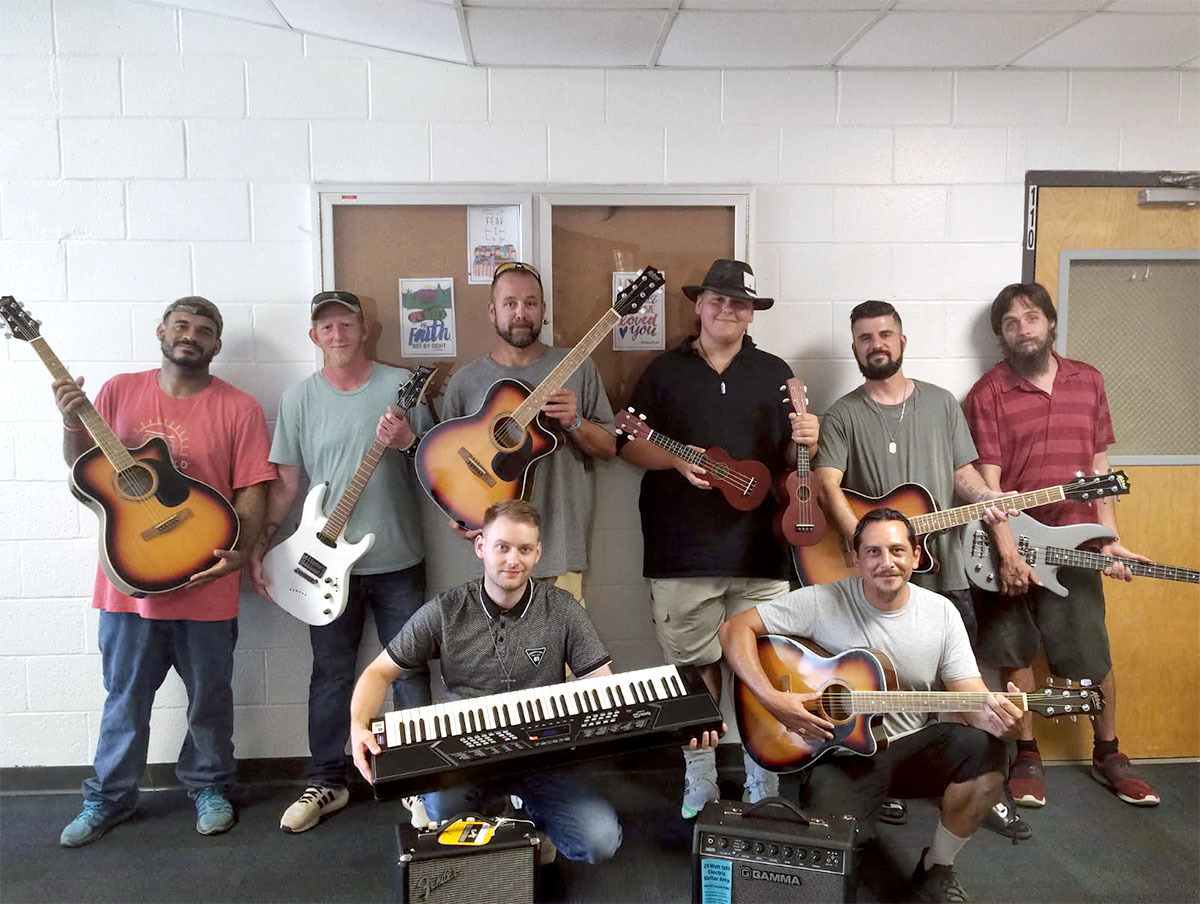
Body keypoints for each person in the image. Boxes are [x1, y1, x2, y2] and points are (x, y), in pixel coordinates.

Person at [350, 500, 723, 863]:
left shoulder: (562, 609)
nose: (513, 559)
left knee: (600, 841)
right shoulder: (446, 611)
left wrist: (678, 729)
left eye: (524, 549)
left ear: (538, 552)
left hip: (546, 754)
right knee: (442, 812)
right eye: (502, 547)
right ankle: (512, 826)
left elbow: (606, 687)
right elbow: (378, 672)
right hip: (465, 753)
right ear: (481, 547)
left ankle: (528, 816)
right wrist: (358, 726)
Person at [54, 296, 275, 847]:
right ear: (161, 330)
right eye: (181, 325)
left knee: (210, 699)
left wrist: (242, 551)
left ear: (216, 344)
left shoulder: (239, 407)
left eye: (204, 329)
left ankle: (209, 787)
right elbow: (84, 470)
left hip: (207, 583)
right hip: (127, 585)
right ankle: (108, 799)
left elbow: (252, 488)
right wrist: (69, 422)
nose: (191, 335)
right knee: (124, 700)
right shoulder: (115, 392)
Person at [718, 509, 1024, 904]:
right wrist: (772, 699)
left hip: (917, 744)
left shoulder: (941, 612)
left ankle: (937, 866)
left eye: (897, 550)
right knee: (839, 868)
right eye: (874, 552)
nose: (886, 562)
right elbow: (734, 629)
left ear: (916, 555)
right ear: (856, 557)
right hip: (844, 753)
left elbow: (969, 695)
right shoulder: (821, 601)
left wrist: (1003, 719)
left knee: (990, 752)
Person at [814, 299, 1025, 838]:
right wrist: (861, 541)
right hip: (877, 577)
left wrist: (987, 501)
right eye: (864, 337)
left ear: (902, 342)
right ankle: (887, 777)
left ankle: (965, 776)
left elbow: (964, 475)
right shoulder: (842, 414)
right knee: (880, 681)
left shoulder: (940, 405)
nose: (875, 344)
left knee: (956, 681)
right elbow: (827, 486)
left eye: (885, 334)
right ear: (855, 347)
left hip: (945, 567)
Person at [618, 259, 817, 817]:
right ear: (699, 305)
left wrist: (810, 438)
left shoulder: (778, 373)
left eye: (739, 303)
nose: (727, 309)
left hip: (762, 549)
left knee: (762, 668)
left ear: (751, 313)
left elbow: (789, 466)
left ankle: (762, 776)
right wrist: (677, 464)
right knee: (693, 669)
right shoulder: (661, 372)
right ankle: (700, 777)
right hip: (681, 549)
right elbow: (628, 444)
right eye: (717, 300)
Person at [962, 282, 1160, 809]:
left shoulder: (1088, 382)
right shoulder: (987, 394)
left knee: (1090, 649)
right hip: (1007, 546)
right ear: (1001, 336)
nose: (1022, 328)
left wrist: (1109, 539)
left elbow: (1100, 468)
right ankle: (1026, 754)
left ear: (1050, 323)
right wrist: (1006, 551)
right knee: (1014, 651)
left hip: (1074, 547)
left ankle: (1110, 751)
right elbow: (989, 484)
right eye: (1010, 323)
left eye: (1031, 318)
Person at [249, 290, 434, 834]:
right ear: (314, 336)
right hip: (324, 565)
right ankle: (327, 781)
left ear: (364, 328)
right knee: (330, 674)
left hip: (399, 559)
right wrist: (259, 543)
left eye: (346, 323)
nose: (336, 333)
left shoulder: (402, 387)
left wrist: (408, 441)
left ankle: (416, 778)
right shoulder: (299, 399)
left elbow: (440, 464)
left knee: (410, 672)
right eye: (325, 326)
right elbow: (285, 485)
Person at [438, 262, 615, 605]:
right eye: (510, 303)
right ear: (492, 311)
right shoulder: (465, 381)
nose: (521, 313)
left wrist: (575, 422)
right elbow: (447, 465)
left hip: (560, 547)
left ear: (543, 310)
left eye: (531, 303)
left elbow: (608, 446)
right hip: (494, 554)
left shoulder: (578, 368)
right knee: (500, 656)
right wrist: (457, 515)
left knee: (564, 654)